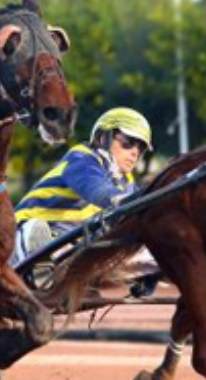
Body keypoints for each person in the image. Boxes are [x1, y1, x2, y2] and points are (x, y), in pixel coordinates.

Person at [13, 107, 161, 295]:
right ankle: (42, 270)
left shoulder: (128, 182)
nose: (134, 152)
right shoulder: (82, 157)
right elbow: (95, 188)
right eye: (128, 142)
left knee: (155, 248)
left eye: (140, 148)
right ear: (102, 138)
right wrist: (122, 200)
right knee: (36, 230)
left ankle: (60, 273)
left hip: (76, 249)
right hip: (22, 235)